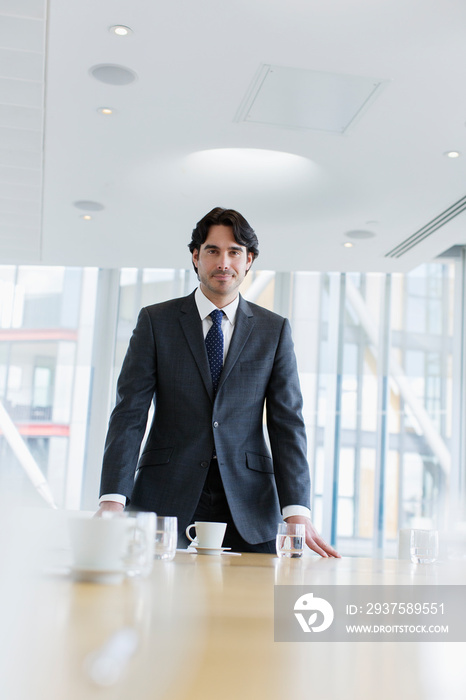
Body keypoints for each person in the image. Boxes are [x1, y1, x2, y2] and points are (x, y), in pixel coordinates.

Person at [97, 207, 339, 557]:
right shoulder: (155, 321)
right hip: (165, 497)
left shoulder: (274, 330)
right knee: (156, 606)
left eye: (234, 252)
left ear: (248, 260)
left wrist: (297, 510)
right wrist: (113, 499)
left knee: (252, 608)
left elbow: (287, 422)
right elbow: (129, 413)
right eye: (212, 250)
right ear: (196, 257)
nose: (223, 262)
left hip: (250, 501)